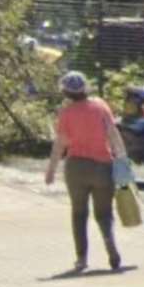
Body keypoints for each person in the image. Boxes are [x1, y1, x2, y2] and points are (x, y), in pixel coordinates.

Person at [45, 71, 125, 273]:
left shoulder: (66, 114)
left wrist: (51, 170)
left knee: (79, 213)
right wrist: (122, 160)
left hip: (76, 167)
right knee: (104, 213)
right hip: (102, 166)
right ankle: (110, 245)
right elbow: (114, 135)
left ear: (65, 92)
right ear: (85, 88)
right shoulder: (100, 107)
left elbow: (60, 144)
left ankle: (81, 259)